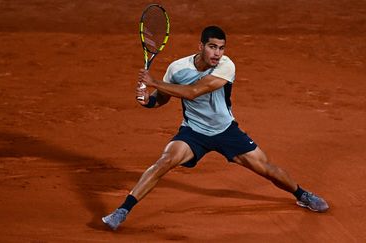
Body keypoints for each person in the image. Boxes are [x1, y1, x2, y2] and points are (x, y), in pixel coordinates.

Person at [102, 26, 329, 230]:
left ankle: (302, 194)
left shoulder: (226, 66)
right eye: (212, 47)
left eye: (221, 48)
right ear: (201, 46)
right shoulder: (177, 69)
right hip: (193, 132)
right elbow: (162, 97)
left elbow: (193, 92)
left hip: (225, 131)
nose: (217, 53)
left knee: (267, 168)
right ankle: (122, 211)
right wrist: (148, 101)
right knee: (164, 161)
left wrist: (153, 82)